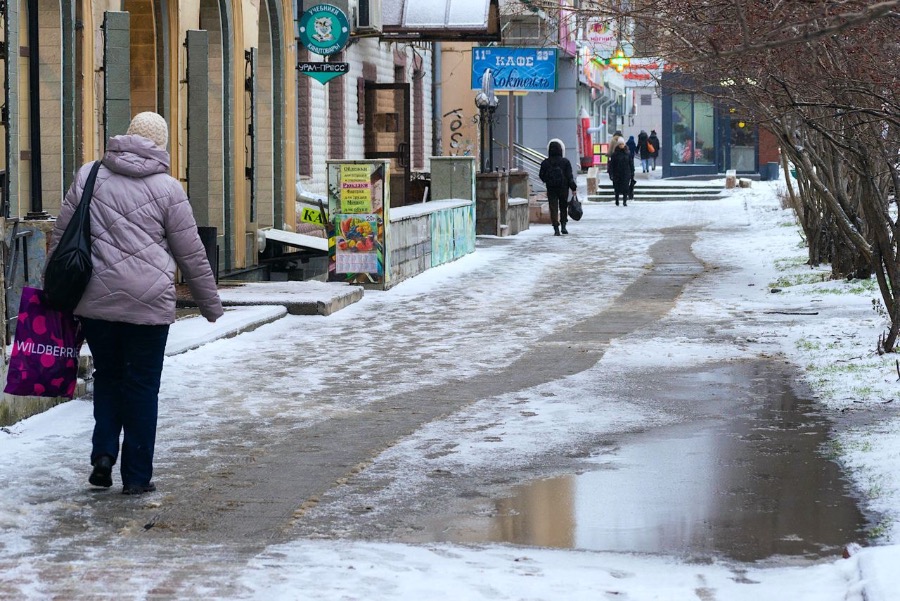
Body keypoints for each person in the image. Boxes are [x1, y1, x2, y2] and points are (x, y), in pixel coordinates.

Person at [47, 112, 224, 495]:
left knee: (108, 379)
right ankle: (138, 477)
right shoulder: (169, 189)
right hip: (148, 308)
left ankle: (103, 454)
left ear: (126, 137)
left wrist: (53, 291)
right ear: (160, 145)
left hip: (96, 302)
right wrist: (210, 304)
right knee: (142, 388)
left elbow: (61, 238)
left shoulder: (89, 175)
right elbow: (191, 253)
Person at [539, 138, 578, 235]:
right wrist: (573, 188)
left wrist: (547, 180)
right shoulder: (565, 162)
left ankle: (556, 228)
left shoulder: (545, 162)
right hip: (563, 187)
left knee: (553, 207)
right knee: (563, 206)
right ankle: (564, 226)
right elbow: (569, 176)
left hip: (551, 187)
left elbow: (541, 175)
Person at [607, 138, 634, 206]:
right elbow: (612, 165)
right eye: (620, 144)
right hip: (617, 174)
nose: (621, 145)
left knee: (625, 188)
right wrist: (611, 173)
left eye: (622, 144)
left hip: (626, 173)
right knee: (617, 188)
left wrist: (632, 173)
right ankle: (617, 201)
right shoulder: (615, 154)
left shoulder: (627, 153)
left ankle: (625, 201)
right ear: (618, 145)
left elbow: (631, 163)